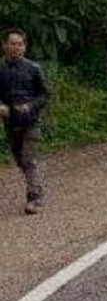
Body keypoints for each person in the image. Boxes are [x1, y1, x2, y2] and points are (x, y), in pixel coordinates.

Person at [0, 28, 48, 215]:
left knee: (29, 158)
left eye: (20, 44)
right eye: (12, 44)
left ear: (25, 47)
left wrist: (30, 105)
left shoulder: (34, 69)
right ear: (4, 45)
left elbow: (44, 94)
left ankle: (34, 197)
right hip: (11, 122)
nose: (16, 48)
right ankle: (37, 186)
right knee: (21, 160)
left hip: (31, 121)